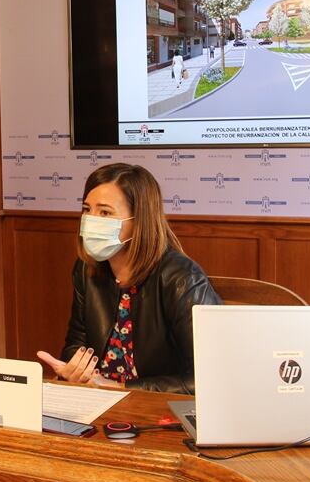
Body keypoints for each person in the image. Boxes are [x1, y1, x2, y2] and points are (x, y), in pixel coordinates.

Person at [36, 163, 221, 394]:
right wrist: (74, 371)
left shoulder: (182, 277)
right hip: (97, 400)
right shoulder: (86, 269)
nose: (91, 220)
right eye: (87, 209)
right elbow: (77, 345)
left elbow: (212, 376)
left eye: (105, 212)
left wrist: (120, 387)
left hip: (156, 411)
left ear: (138, 222)